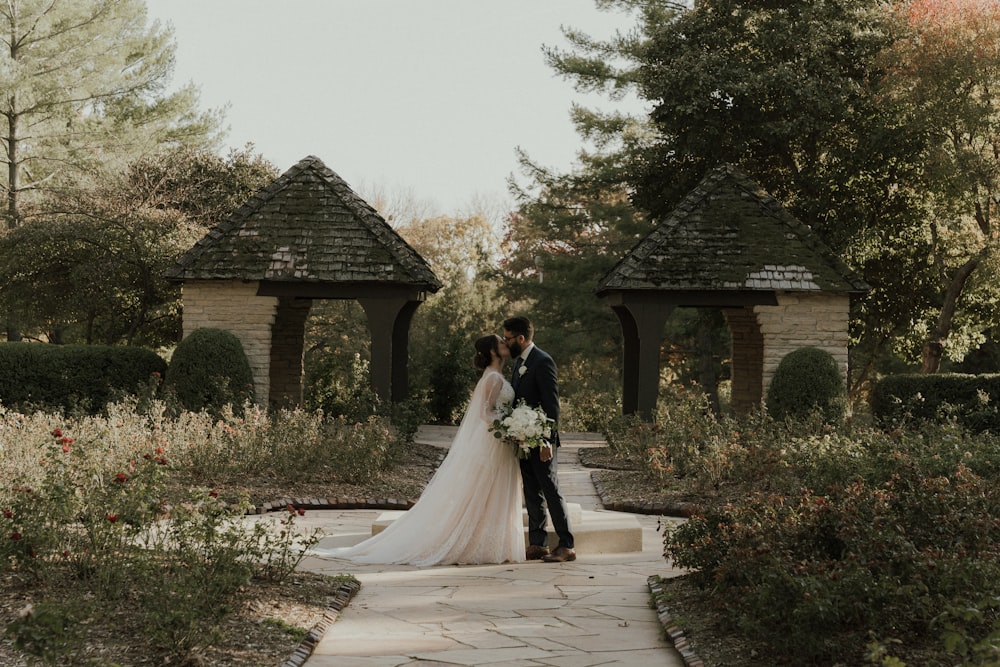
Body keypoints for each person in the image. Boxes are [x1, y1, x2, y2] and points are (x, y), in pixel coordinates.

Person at [309, 334, 525, 566]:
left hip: (498, 440)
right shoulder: (493, 378)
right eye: (501, 343)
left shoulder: (496, 375)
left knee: (490, 492)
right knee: (483, 490)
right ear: (493, 351)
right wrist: (509, 427)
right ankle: (474, 544)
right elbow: (485, 413)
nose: (505, 345)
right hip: (494, 440)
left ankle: (489, 544)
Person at [502, 316, 575, 563]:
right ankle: (538, 543)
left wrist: (546, 440)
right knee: (531, 491)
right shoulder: (518, 363)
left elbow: (552, 407)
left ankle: (566, 545)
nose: (505, 342)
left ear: (521, 339)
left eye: (508, 338)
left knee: (551, 490)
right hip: (524, 440)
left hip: (542, 441)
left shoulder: (543, 362)